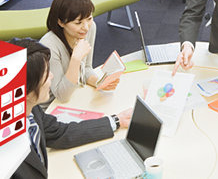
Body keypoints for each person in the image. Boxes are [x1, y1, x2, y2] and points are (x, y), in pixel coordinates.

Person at [10, 38, 132, 179]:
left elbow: (60, 132)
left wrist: (116, 121)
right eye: (45, 75)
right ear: (27, 91)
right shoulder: (1, 146)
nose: (52, 76)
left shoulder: (32, 110)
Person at [39, 0, 118, 108]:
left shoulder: (90, 29)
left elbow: (86, 68)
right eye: (78, 23)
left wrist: (99, 82)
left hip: (75, 95)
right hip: (52, 107)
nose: (85, 27)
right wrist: (75, 59)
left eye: (89, 18)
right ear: (61, 22)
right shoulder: (49, 45)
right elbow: (62, 95)